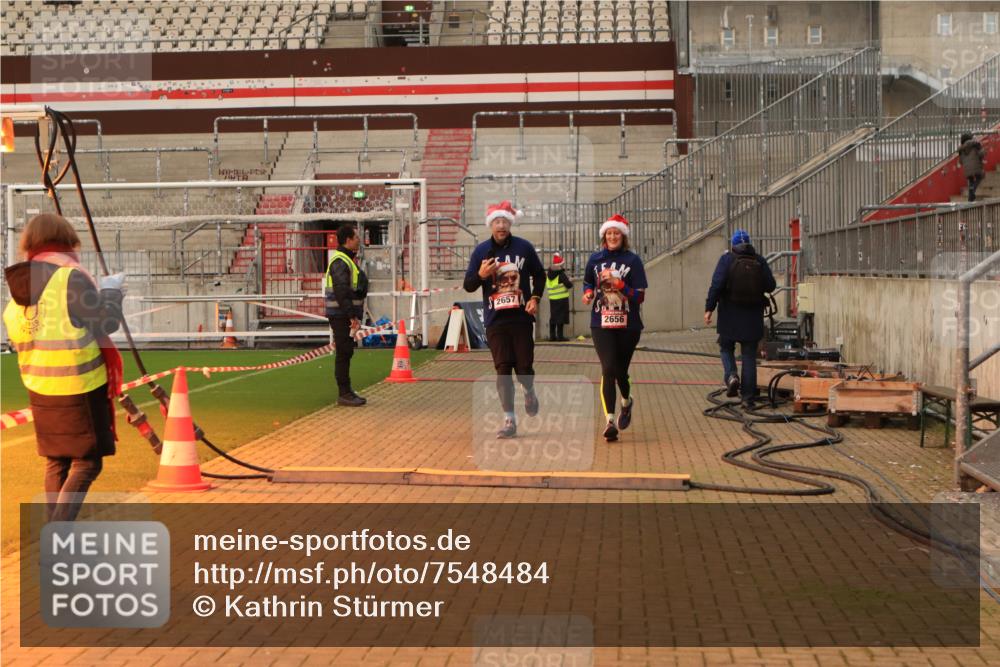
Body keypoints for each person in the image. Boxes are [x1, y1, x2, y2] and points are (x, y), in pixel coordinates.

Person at [3, 213, 125, 522]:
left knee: (56, 462)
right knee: (87, 462)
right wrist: (111, 292)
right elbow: (105, 322)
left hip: (40, 388)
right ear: (67, 239)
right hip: (79, 387)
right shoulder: (68, 277)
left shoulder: (19, 286)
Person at [463, 200, 546, 439]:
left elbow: (539, 276)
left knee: (523, 369)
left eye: (505, 222)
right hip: (495, 320)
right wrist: (480, 275)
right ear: (491, 225)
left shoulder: (524, 248)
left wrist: (535, 298)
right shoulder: (481, 252)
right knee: (503, 369)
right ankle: (509, 419)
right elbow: (469, 285)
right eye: (497, 222)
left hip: (521, 318)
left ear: (510, 224)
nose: (501, 226)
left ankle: (529, 390)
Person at [582, 214, 648, 443]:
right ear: (604, 236)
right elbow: (588, 281)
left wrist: (622, 286)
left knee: (620, 371)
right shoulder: (595, 259)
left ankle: (627, 402)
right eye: (609, 233)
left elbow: (640, 296)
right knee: (608, 368)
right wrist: (588, 293)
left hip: (628, 325)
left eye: (616, 233)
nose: (612, 236)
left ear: (623, 236)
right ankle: (609, 421)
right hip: (601, 323)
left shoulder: (633, 261)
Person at [703, 229, 777, 409]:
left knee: (726, 348)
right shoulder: (759, 260)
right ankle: (748, 399)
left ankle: (731, 376)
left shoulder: (727, 259)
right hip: (752, 318)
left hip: (729, 315)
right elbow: (771, 285)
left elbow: (716, 285)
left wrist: (709, 309)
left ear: (733, 244)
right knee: (749, 356)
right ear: (749, 243)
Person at [324, 223, 369, 407]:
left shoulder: (347, 260)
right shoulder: (341, 261)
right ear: (348, 240)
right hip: (341, 315)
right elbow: (342, 291)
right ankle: (344, 393)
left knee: (346, 351)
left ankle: (347, 391)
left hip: (344, 314)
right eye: (356, 237)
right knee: (343, 352)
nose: (359, 240)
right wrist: (351, 315)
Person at [545, 252, 573, 341]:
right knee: (561, 317)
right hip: (562, 298)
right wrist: (570, 280)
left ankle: (552, 336)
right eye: (562, 265)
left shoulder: (549, 274)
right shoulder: (561, 274)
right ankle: (560, 337)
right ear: (560, 265)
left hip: (552, 299)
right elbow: (569, 285)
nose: (563, 267)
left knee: (553, 317)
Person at [958, 132, 986, 202]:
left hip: (967, 170)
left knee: (971, 180)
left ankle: (970, 197)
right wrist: (984, 151)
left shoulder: (961, 150)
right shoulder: (975, 145)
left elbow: (960, 161)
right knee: (980, 177)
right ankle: (973, 189)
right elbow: (981, 155)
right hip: (977, 167)